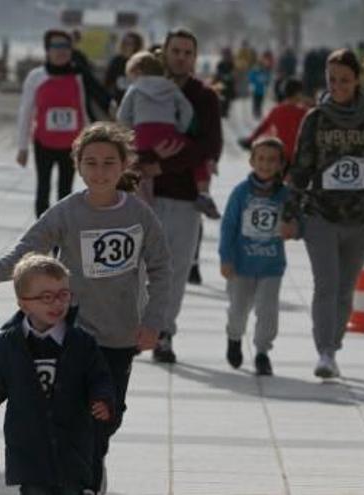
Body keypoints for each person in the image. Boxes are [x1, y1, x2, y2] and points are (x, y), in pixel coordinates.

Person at [0, 122, 171, 492]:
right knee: (73, 415)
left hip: (120, 335)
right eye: (91, 163)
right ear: (78, 165)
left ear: (124, 165)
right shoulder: (67, 212)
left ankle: (93, 465)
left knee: (107, 416)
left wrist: (154, 322)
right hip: (73, 335)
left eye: (109, 162)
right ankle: (80, 481)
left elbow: (161, 269)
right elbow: (28, 250)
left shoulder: (139, 214)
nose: (100, 171)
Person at [0, 253, 115, 495]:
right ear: (23, 303)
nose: (57, 304)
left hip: (71, 445)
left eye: (63, 295)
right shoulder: (8, 345)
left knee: (70, 489)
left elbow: (99, 376)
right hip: (28, 446)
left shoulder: (81, 342)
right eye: (46, 297)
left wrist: (103, 400)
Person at [283, 48, 364, 379]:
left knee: (346, 289)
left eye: (345, 79)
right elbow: (300, 168)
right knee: (325, 285)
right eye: (332, 79)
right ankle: (325, 351)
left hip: (359, 218)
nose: (338, 85)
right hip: (320, 214)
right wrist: (288, 212)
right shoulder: (315, 119)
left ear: (357, 79)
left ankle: (335, 342)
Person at [150, 29, 223, 364]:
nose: (180, 57)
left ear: (195, 58)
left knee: (177, 268)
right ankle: (137, 326)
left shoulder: (204, 97)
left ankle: (164, 332)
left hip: (183, 197)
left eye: (187, 52)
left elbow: (209, 146)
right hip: (143, 195)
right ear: (164, 52)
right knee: (135, 268)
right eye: (175, 50)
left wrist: (161, 166)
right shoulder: (147, 88)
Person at [16, 29, 112, 218]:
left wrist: (113, 110)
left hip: (73, 144)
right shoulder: (36, 77)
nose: (61, 51)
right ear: (47, 50)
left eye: (66, 46)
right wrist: (22, 148)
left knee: (65, 191)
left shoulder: (79, 75)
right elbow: (25, 112)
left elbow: (99, 95)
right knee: (43, 188)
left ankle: (63, 234)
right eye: (56, 46)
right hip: (43, 141)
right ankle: (42, 234)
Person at [220, 137, 295, 375]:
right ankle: (234, 337)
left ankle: (262, 352)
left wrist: (293, 229)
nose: (265, 164)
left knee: (267, 311)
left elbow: (297, 222)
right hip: (241, 264)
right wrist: (226, 258)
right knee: (238, 309)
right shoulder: (241, 193)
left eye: (272, 160)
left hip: (271, 265)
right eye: (260, 159)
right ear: (252, 161)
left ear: (281, 164)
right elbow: (228, 226)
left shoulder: (286, 195)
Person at [116, 51, 193, 204]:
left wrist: (131, 132)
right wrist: (180, 129)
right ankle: (203, 189)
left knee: (138, 164)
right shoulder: (170, 86)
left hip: (143, 135)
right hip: (168, 132)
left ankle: (144, 199)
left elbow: (122, 115)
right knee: (191, 149)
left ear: (137, 71)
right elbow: (187, 109)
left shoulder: (135, 87)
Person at [238, 78, 309, 167]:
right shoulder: (304, 112)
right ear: (297, 93)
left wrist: (250, 140)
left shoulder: (276, 110)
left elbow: (262, 127)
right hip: (298, 158)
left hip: (280, 156)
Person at [104, 31, 144, 104]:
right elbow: (107, 83)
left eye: (129, 44)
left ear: (136, 46)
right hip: (118, 101)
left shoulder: (142, 62)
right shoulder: (116, 61)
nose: (125, 46)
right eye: (124, 43)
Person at [214, 47, 237, 118]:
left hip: (229, 84)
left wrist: (229, 77)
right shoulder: (220, 64)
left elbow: (233, 73)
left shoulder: (231, 64)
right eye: (225, 55)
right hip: (220, 83)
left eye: (227, 55)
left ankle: (225, 111)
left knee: (228, 98)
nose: (226, 56)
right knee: (221, 98)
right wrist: (221, 77)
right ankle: (221, 111)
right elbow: (217, 73)